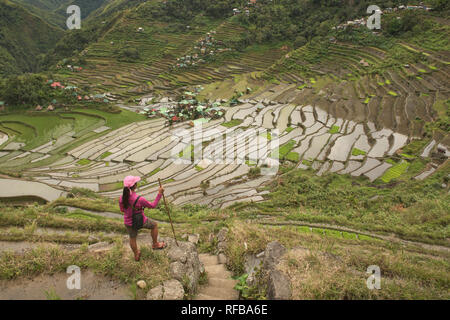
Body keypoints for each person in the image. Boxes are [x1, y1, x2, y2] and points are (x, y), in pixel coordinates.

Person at [119, 176, 166, 261]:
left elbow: (122, 210)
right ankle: (155, 244)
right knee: (154, 225)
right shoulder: (139, 199)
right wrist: (159, 194)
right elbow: (153, 205)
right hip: (140, 221)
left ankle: (136, 254)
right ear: (135, 185)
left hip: (128, 223)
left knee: (132, 238)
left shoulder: (121, 198)